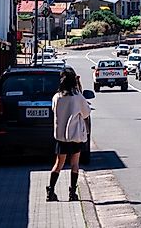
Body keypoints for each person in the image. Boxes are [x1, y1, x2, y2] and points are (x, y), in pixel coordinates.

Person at [47, 69, 91, 202]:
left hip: (61, 137)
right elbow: (86, 113)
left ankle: (51, 190)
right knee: (75, 163)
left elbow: (54, 111)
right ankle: (72, 193)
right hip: (75, 136)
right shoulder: (78, 97)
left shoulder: (57, 97)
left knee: (58, 163)